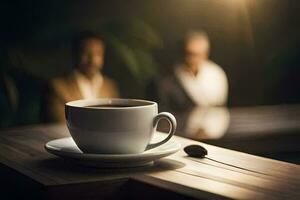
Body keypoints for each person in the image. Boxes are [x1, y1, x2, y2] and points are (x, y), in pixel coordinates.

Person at [45, 32, 119, 122]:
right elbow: (59, 124)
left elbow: (115, 120)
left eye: (98, 53)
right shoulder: (58, 87)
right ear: (75, 54)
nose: (92, 59)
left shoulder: (110, 86)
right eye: (86, 53)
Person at [159, 31, 228, 111]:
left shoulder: (216, 73)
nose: (190, 59)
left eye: (195, 54)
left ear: (205, 54)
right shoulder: (170, 77)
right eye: (188, 53)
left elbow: (220, 104)